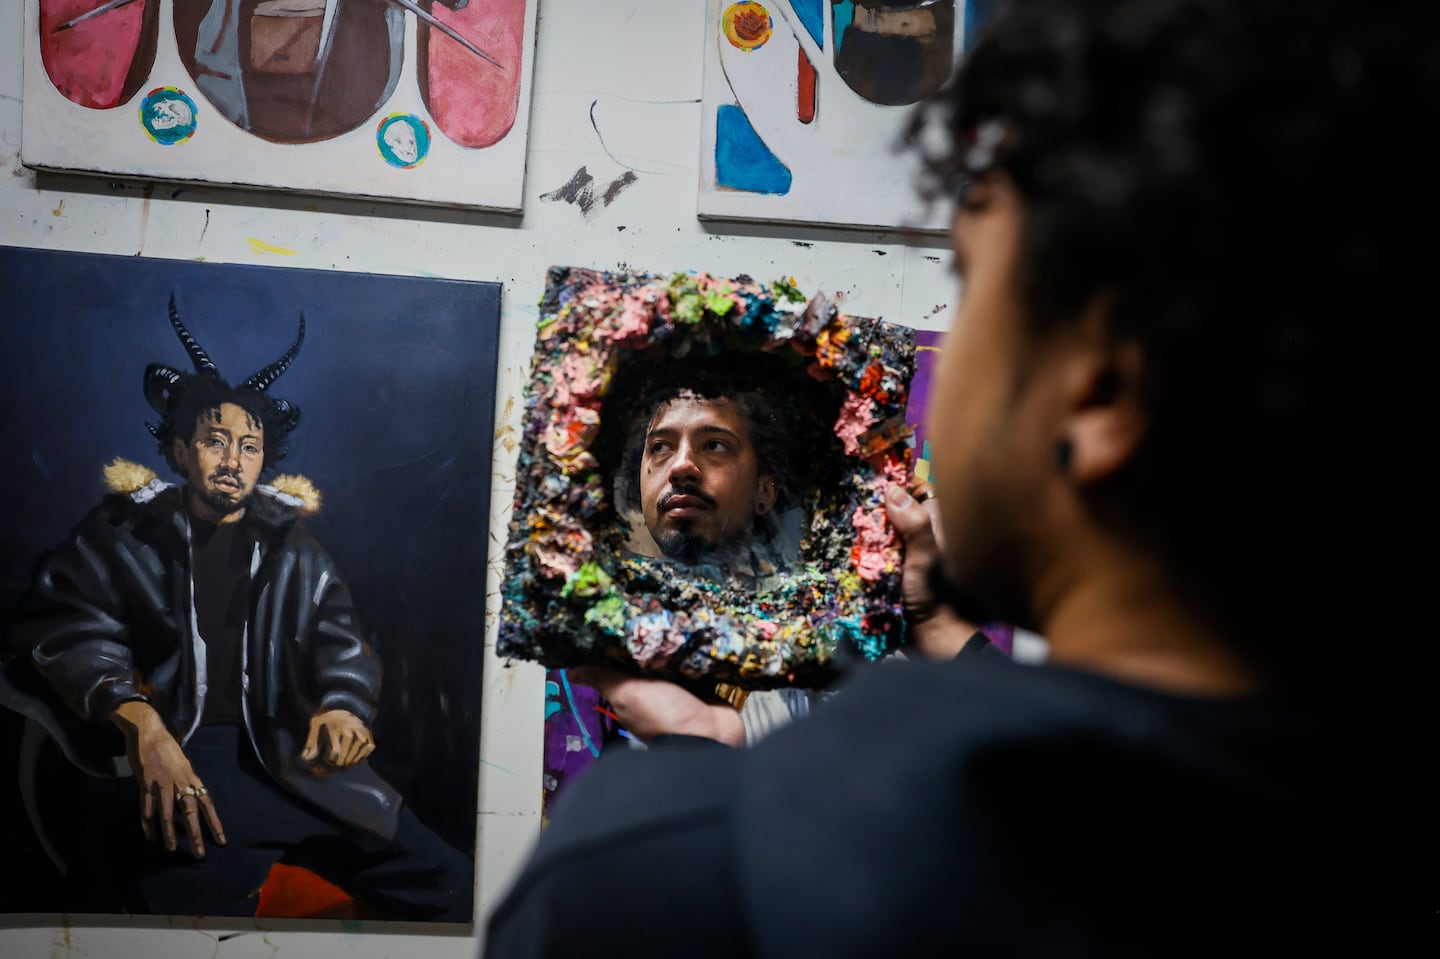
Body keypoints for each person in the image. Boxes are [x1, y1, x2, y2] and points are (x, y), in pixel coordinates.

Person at [485, 0, 1428, 953]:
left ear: (1098, 389)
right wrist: (938, 629)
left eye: (970, 279)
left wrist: (691, 776)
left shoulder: (665, 872)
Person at [0, 299, 472, 921]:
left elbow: (341, 641)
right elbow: (69, 629)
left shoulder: (292, 546)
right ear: (177, 450)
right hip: (181, 758)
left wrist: (341, 706)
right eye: (214, 440)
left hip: (290, 757)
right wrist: (141, 725)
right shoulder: (121, 532)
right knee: (185, 926)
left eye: (249, 447)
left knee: (454, 886)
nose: (232, 460)